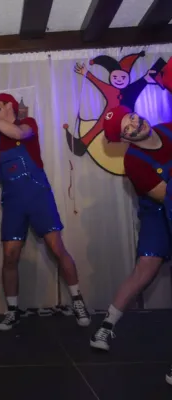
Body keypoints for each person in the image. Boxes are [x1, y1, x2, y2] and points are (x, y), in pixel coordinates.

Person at [0, 93, 91, 331]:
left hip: (37, 194)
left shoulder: (27, 124)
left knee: (57, 247)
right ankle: (12, 311)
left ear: (10, 105)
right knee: (9, 255)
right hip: (13, 199)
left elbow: (18, 134)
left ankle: (77, 300)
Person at [90, 104, 172, 352]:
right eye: (127, 128)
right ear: (125, 139)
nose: (136, 124)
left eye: (132, 117)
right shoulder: (133, 162)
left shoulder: (168, 129)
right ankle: (106, 326)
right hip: (157, 211)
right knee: (145, 269)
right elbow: (165, 195)